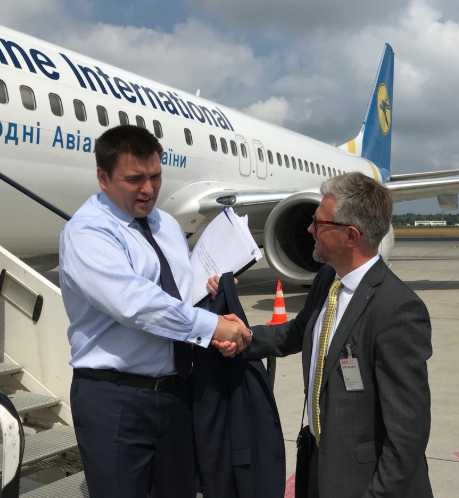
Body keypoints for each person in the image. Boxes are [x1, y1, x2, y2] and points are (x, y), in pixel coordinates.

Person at [59, 124, 251, 498]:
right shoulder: (88, 232)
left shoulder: (165, 224)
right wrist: (212, 327)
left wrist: (212, 291)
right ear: (103, 177)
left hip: (176, 394)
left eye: (156, 176)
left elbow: (180, 289)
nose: (149, 189)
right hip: (116, 399)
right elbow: (136, 303)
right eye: (135, 179)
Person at [218, 172, 434, 498]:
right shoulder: (328, 280)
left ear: (350, 235)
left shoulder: (398, 310)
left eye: (318, 223)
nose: (309, 229)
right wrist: (247, 338)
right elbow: (299, 331)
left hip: (365, 483)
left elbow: (408, 433)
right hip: (320, 467)